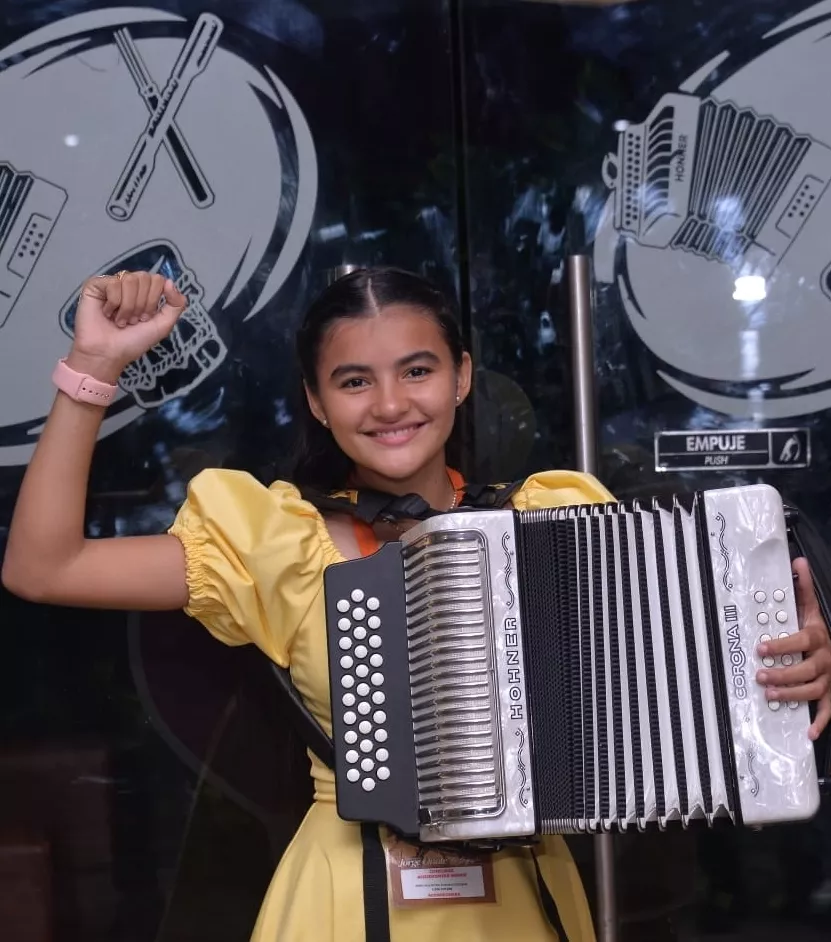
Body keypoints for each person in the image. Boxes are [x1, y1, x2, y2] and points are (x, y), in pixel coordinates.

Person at [3, 267, 831, 942]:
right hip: (345, 897)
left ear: (462, 377)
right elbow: (45, 567)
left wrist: (785, 671)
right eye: (354, 380)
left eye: (418, 369)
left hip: (524, 897)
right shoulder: (276, 543)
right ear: (319, 404)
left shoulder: (553, 519)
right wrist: (96, 367)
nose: (391, 404)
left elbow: (684, 681)